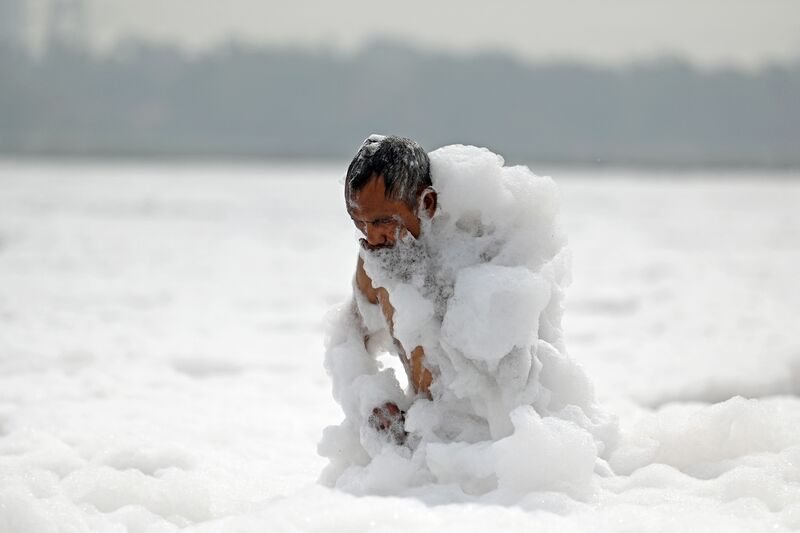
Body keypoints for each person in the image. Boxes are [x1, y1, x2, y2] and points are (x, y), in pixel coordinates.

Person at [344, 134, 437, 441]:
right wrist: (372, 401)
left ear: (426, 204)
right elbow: (348, 341)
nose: (370, 237)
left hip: (493, 460)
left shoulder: (478, 268)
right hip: (430, 450)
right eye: (358, 222)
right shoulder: (376, 262)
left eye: (382, 221)